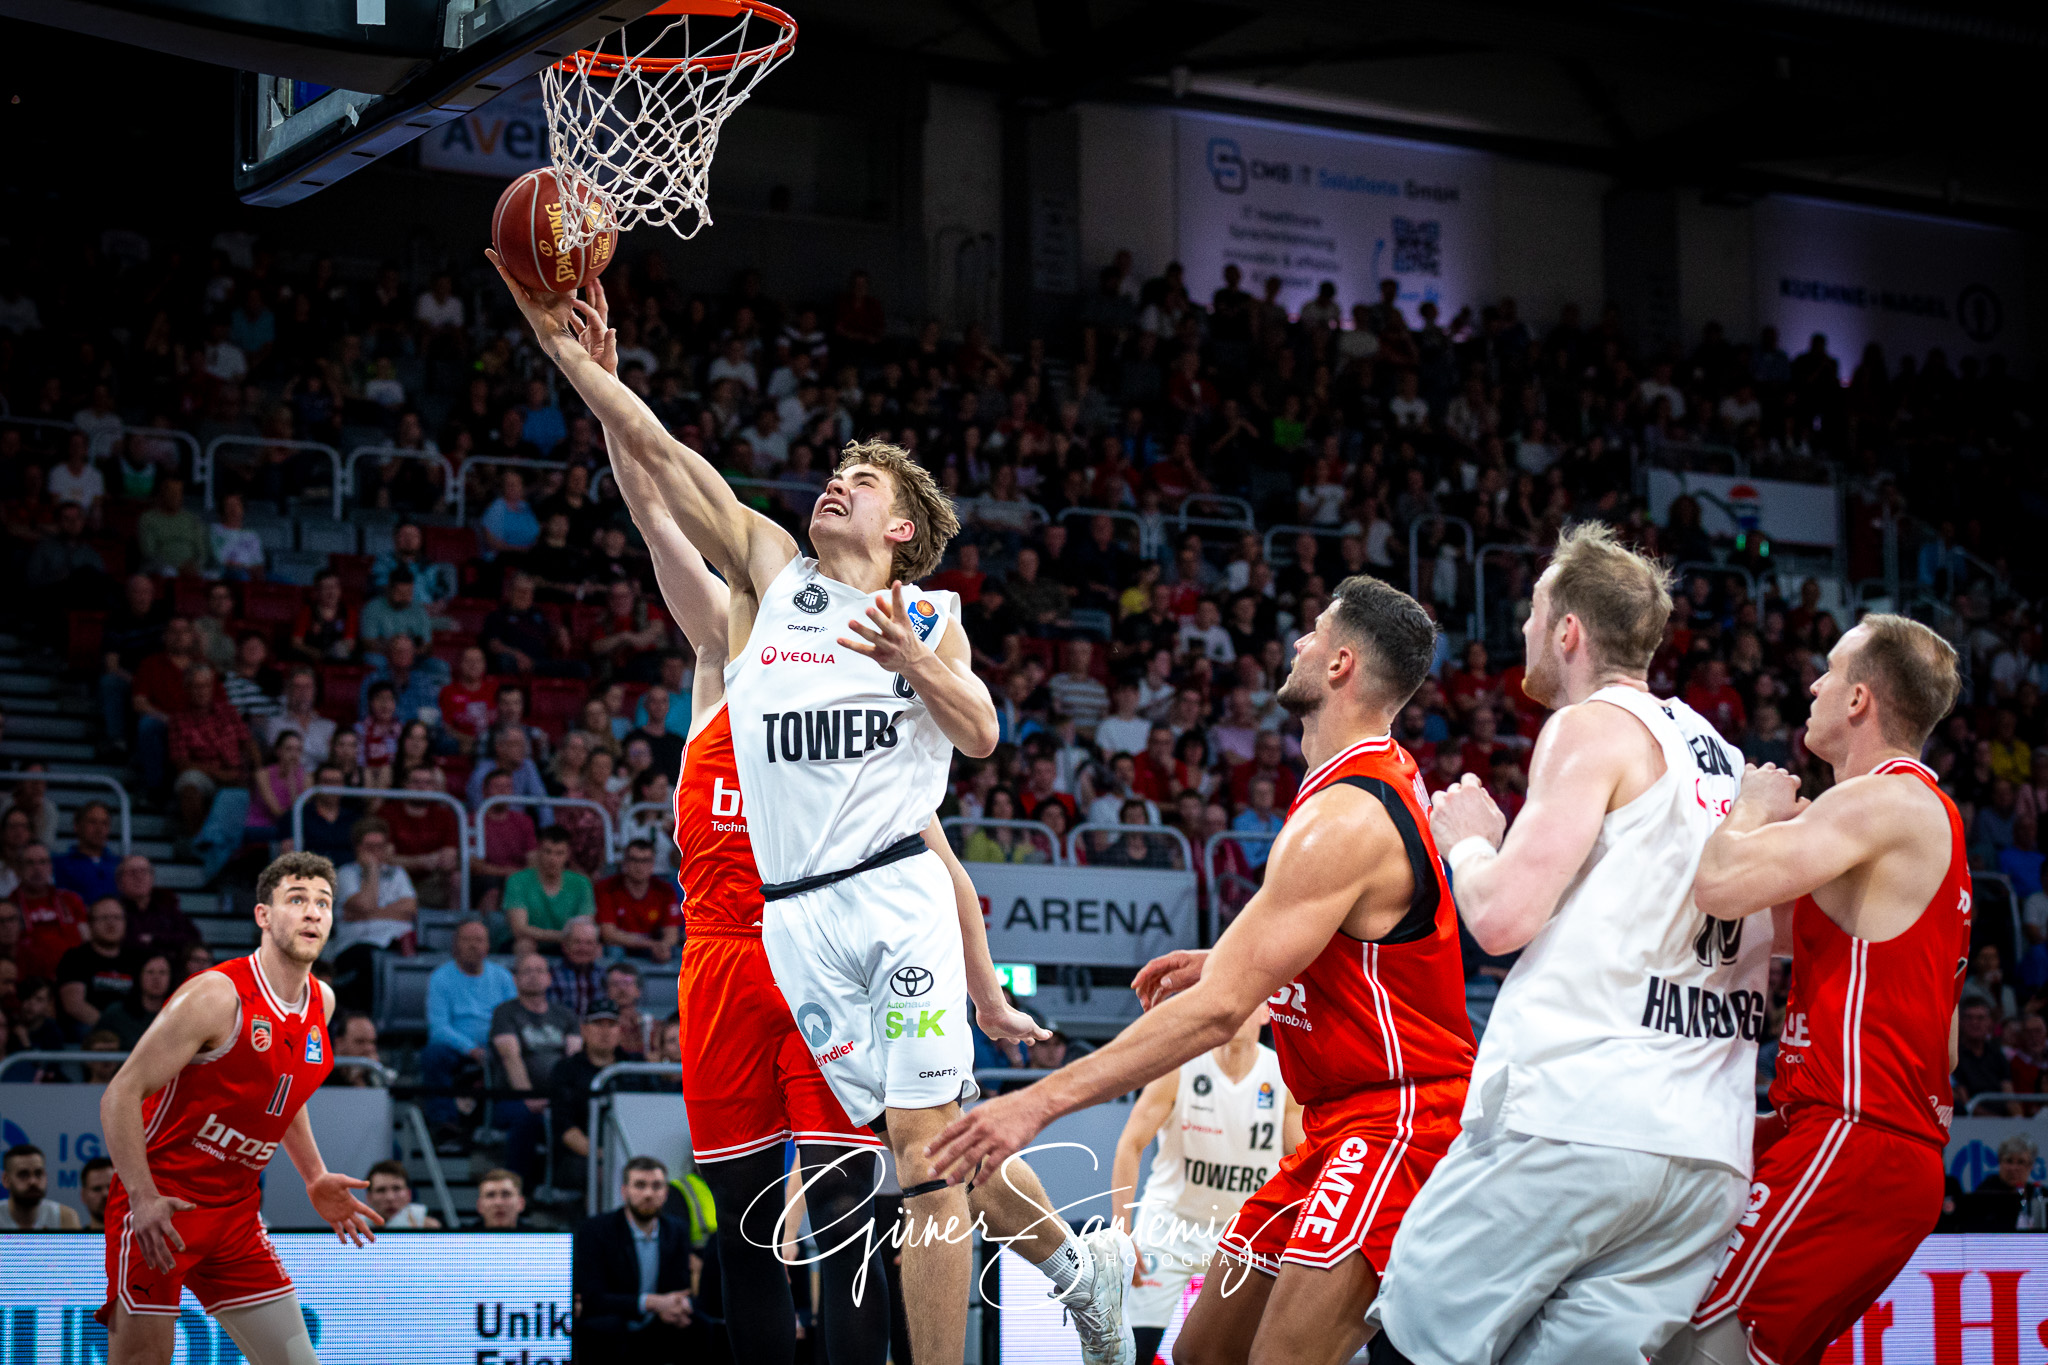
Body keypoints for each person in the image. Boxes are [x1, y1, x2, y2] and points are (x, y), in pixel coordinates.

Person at [538, 277, 1103, 1365]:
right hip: (762, 942)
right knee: (802, 1204)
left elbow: (966, 773)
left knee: (891, 1172)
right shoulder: (755, 614)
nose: (832, 483)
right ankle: (1073, 1266)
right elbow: (659, 480)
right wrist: (585, 367)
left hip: (872, 906)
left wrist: (983, 976)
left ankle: (1066, 1273)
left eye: (860, 479)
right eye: (832, 472)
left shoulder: (928, 618)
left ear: (899, 526)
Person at [930, 576, 1474, 1365]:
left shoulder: (1344, 816)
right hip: (1335, 1125)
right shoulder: (1359, 783)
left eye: (1314, 632)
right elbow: (1365, 937)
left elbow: (1222, 1012)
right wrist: (1231, 954)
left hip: (1399, 1118)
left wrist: (1036, 1103)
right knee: (1199, 1354)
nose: (1297, 643)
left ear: (1342, 664)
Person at [1356, 523, 1762, 1365]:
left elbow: (1502, 920)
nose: (1526, 632)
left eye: (1536, 613)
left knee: (1410, 1349)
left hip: (1574, 1121)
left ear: (1570, 629)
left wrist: (1470, 839)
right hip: (1702, 1155)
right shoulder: (1725, 756)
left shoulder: (1593, 725)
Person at [1655, 615, 1972, 1365]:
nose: (1814, 685)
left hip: (1855, 1136)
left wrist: (1751, 808)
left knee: (1691, 1345)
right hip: (1869, 1143)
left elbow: (1722, 885)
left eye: (1828, 671)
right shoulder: (1918, 820)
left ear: (1859, 699)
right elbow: (1946, 1041)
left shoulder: (1879, 801)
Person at [95, 852, 381, 1365]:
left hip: (235, 1216)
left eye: (323, 902)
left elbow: (282, 1092)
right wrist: (142, 1196)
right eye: (296, 900)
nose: (313, 912)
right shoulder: (215, 995)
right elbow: (121, 1092)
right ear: (263, 916)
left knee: (297, 1362)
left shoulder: (324, 1002)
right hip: (164, 1209)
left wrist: (314, 1175)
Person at [1112, 1006, 1303, 1365]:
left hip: (1241, 1234)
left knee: (1232, 1354)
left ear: (1267, 1013)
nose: (1241, 1013)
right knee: (1134, 1351)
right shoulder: (1180, 1067)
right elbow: (1130, 1145)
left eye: (1253, 1004)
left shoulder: (1282, 1075)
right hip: (1169, 1225)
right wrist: (1122, 1229)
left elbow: (1299, 1160)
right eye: (1236, 1003)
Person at [572, 1156, 700, 1363]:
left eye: (656, 1186)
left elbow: (680, 1285)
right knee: (606, 1327)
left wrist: (675, 1306)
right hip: (615, 1317)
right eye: (640, 1185)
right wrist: (652, 1303)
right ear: (624, 1191)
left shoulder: (676, 1230)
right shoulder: (596, 1230)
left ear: (665, 1193)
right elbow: (593, 1297)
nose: (648, 1193)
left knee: (698, 1323)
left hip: (659, 1319)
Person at [490, 952, 580, 1190]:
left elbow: (574, 1060)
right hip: (513, 1098)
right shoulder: (505, 1013)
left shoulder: (565, 1015)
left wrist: (560, 1099)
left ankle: (564, 1186)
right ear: (516, 978)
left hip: (557, 1098)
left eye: (540, 971)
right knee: (526, 1119)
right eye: (526, 971)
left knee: (570, 1120)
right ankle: (519, 1190)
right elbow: (511, 1056)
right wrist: (527, 1096)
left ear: (549, 978)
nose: (534, 976)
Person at [420, 917, 516, 1137]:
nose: (474, 945)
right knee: (433, 1055)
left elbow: (513, 1018)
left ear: (488, 945)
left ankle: (505, 1120)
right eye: (467, 940)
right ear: (455, 945)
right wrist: (471, 1050)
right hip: (456, 1048)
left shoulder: (502, 977)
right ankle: (445, 1122)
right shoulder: (440, 978)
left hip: (496, 1046)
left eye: (479, 940)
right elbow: (439, 1028)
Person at [328, 817, 418, 1010]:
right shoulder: (345, 874)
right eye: (370, 847)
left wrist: (369, 913)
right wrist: (372, 871)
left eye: (380, 846)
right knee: (370, 961)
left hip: (395, 943)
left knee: (428, 958)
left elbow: (410, 909)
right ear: (358, 848)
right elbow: (365, 905)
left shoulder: (398, 873)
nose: (376, 852)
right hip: (356, 947)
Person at [58, 897, 144, 1031]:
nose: (111, 924)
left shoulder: (137, 958)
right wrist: (112, 1027)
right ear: (90, 924)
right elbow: (74, 1006)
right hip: (90, 1029)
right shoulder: (75, 957)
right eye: (104, 918)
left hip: (130, 1028)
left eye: (117, 918)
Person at [503, 827, 594, 950]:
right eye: (548, 852)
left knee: (592, 947)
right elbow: (519, 929)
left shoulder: (582, 883)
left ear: (568, 855)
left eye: (559, 853)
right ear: (538, 851)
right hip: (534, 942)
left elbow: (586, 925)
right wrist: (561, 936)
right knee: (524, 944)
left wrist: (568, 938)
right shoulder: (517, 880)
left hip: (569, 943)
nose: (553, 859)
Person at [594, 838, 681, 962]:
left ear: (652, 864)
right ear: (624, 862)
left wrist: (663, 946)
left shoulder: (665, 890)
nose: (639, 866)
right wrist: (650, 944)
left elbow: (672, 935)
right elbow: (608, 933)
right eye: (634, 860)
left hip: (652, 946)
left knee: (678, 952)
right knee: (613, 951)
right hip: (621, 945)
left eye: (645, 861)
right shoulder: (606, 887)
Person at [15, 842, 87, 981]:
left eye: (43, 862)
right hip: (29, 982)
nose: (37, 869)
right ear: (19, 868)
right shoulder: (10, 905)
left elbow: (87, 941)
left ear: (50, 867)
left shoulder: (71, 900)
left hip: (72, 979)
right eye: (30, 863)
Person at [1951, 1134, 2044, 1233]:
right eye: (2009, 1161)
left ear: (2031, 1166)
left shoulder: (2040, 1196)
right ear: (2000, 1162)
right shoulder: (1984, 1194)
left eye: (2021, 1162)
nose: (2014, 1168)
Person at [100, 952, 176, 1049]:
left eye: (162, 973)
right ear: (139, 976)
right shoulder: (115, 1013)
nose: (156, 978)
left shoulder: (179, 1015)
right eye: (150, 972)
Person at [54, 800, 122, 905]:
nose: (99, 829)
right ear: (77, 826)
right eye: (92, 822)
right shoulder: (59, 864)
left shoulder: (120, 865)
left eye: (104, 823)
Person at [5, 1144, 83, 1229]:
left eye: (38, 1173)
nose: (33, 1181)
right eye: (23, 1174)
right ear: (6, 1180)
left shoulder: (64, 1218)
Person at [364, 1160, 442, 1230]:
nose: (390, 1197)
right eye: (381, 1190)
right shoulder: (355, 1229)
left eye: (396, 1189)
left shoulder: (429, 1229)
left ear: (409, 1194)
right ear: (369, 1198)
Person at [80, 1155, 115, 1232]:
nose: (105, 1194)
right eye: (97, 1189)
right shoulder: (76, 1242)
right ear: (83, 1195)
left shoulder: (138, 1240)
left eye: (110, 1187)